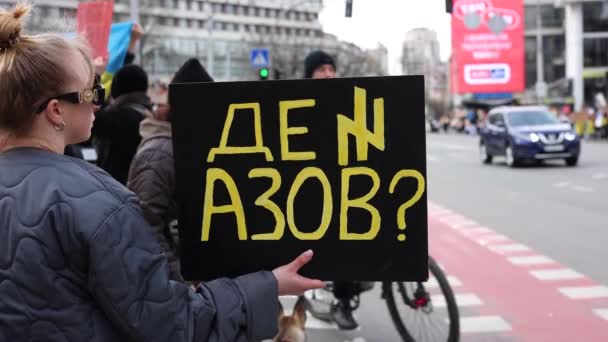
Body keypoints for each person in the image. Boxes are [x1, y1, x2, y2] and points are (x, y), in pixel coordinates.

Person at [0, 5, 324, 341]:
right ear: (56, 111)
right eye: (92, 93)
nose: (99, 103)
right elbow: (174, 324)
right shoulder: (99, 204)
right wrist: (268, 285)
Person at [303, 49, 372, 330]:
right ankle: (342, 302)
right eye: (321, 69)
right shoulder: (298, 103)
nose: (328, 74)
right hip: (313, 185)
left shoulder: (348, 100)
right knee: (341, 242)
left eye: (331, 69)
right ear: (310, 75)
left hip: (347, 180)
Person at [127, 58, 213, 282]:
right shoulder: (159, 153)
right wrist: (181, 280)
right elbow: (144, 226)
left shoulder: (193, 145)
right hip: (176, 290)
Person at [92, 64, 152, 185]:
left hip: (117, 186)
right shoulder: (146, 114)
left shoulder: (122, 117)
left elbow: (93, 119)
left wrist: (95, 80)